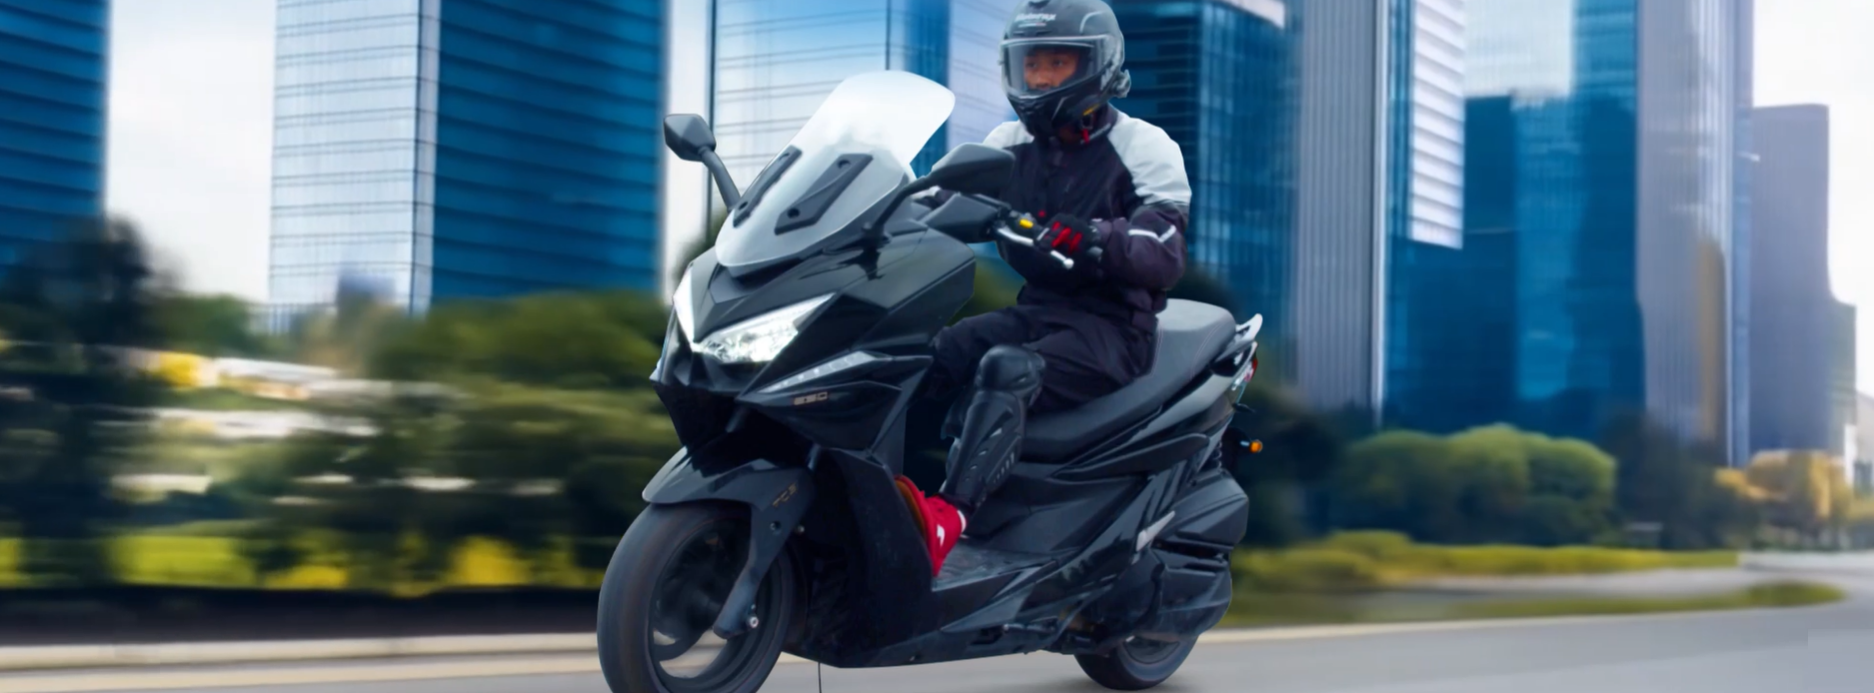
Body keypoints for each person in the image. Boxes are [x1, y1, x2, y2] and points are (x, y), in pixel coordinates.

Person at [894, 0, 1192, 576]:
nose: (1042, 78)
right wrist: (877, 211)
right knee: (928, 355)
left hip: (1114, 329)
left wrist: (1099, 237)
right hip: (1036, 312)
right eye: (1032, 65)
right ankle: (868, 495)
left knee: (1007, 369)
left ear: (1097, 65)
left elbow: (1164, 248)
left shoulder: (1143, 145)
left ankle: (950, 519)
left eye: (1058, 63)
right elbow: (937, 198)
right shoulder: (1006, 142)